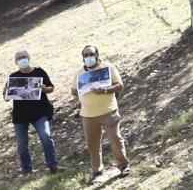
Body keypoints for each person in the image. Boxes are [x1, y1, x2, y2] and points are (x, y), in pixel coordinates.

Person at [69, 45, 130, 183]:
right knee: (93, 144)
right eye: (85, 55)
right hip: (88, 114)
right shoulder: (79, 73)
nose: (88, 57)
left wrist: (105, 90)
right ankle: (97, 172)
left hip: (109, 110)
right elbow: (73, 91)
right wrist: (83, 90)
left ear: (97, 55)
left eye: (91, 54)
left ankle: (123, 166)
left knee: (115, 139)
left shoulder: (108, 67)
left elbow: (119, 85)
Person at [7, 49, 58, 175]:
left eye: (24, 56)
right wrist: (7, 91)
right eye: (19, 57)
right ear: (15, 62)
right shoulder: (13, 77)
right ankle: (27, 169)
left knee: (46, 136)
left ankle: (53, 165)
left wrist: (44, 88)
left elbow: (51, 88)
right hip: (20, 115)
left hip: (39, 112)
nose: (22, 59)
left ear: (29, 58)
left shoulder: (39, 72)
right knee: (22, 144)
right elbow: (6, 97)